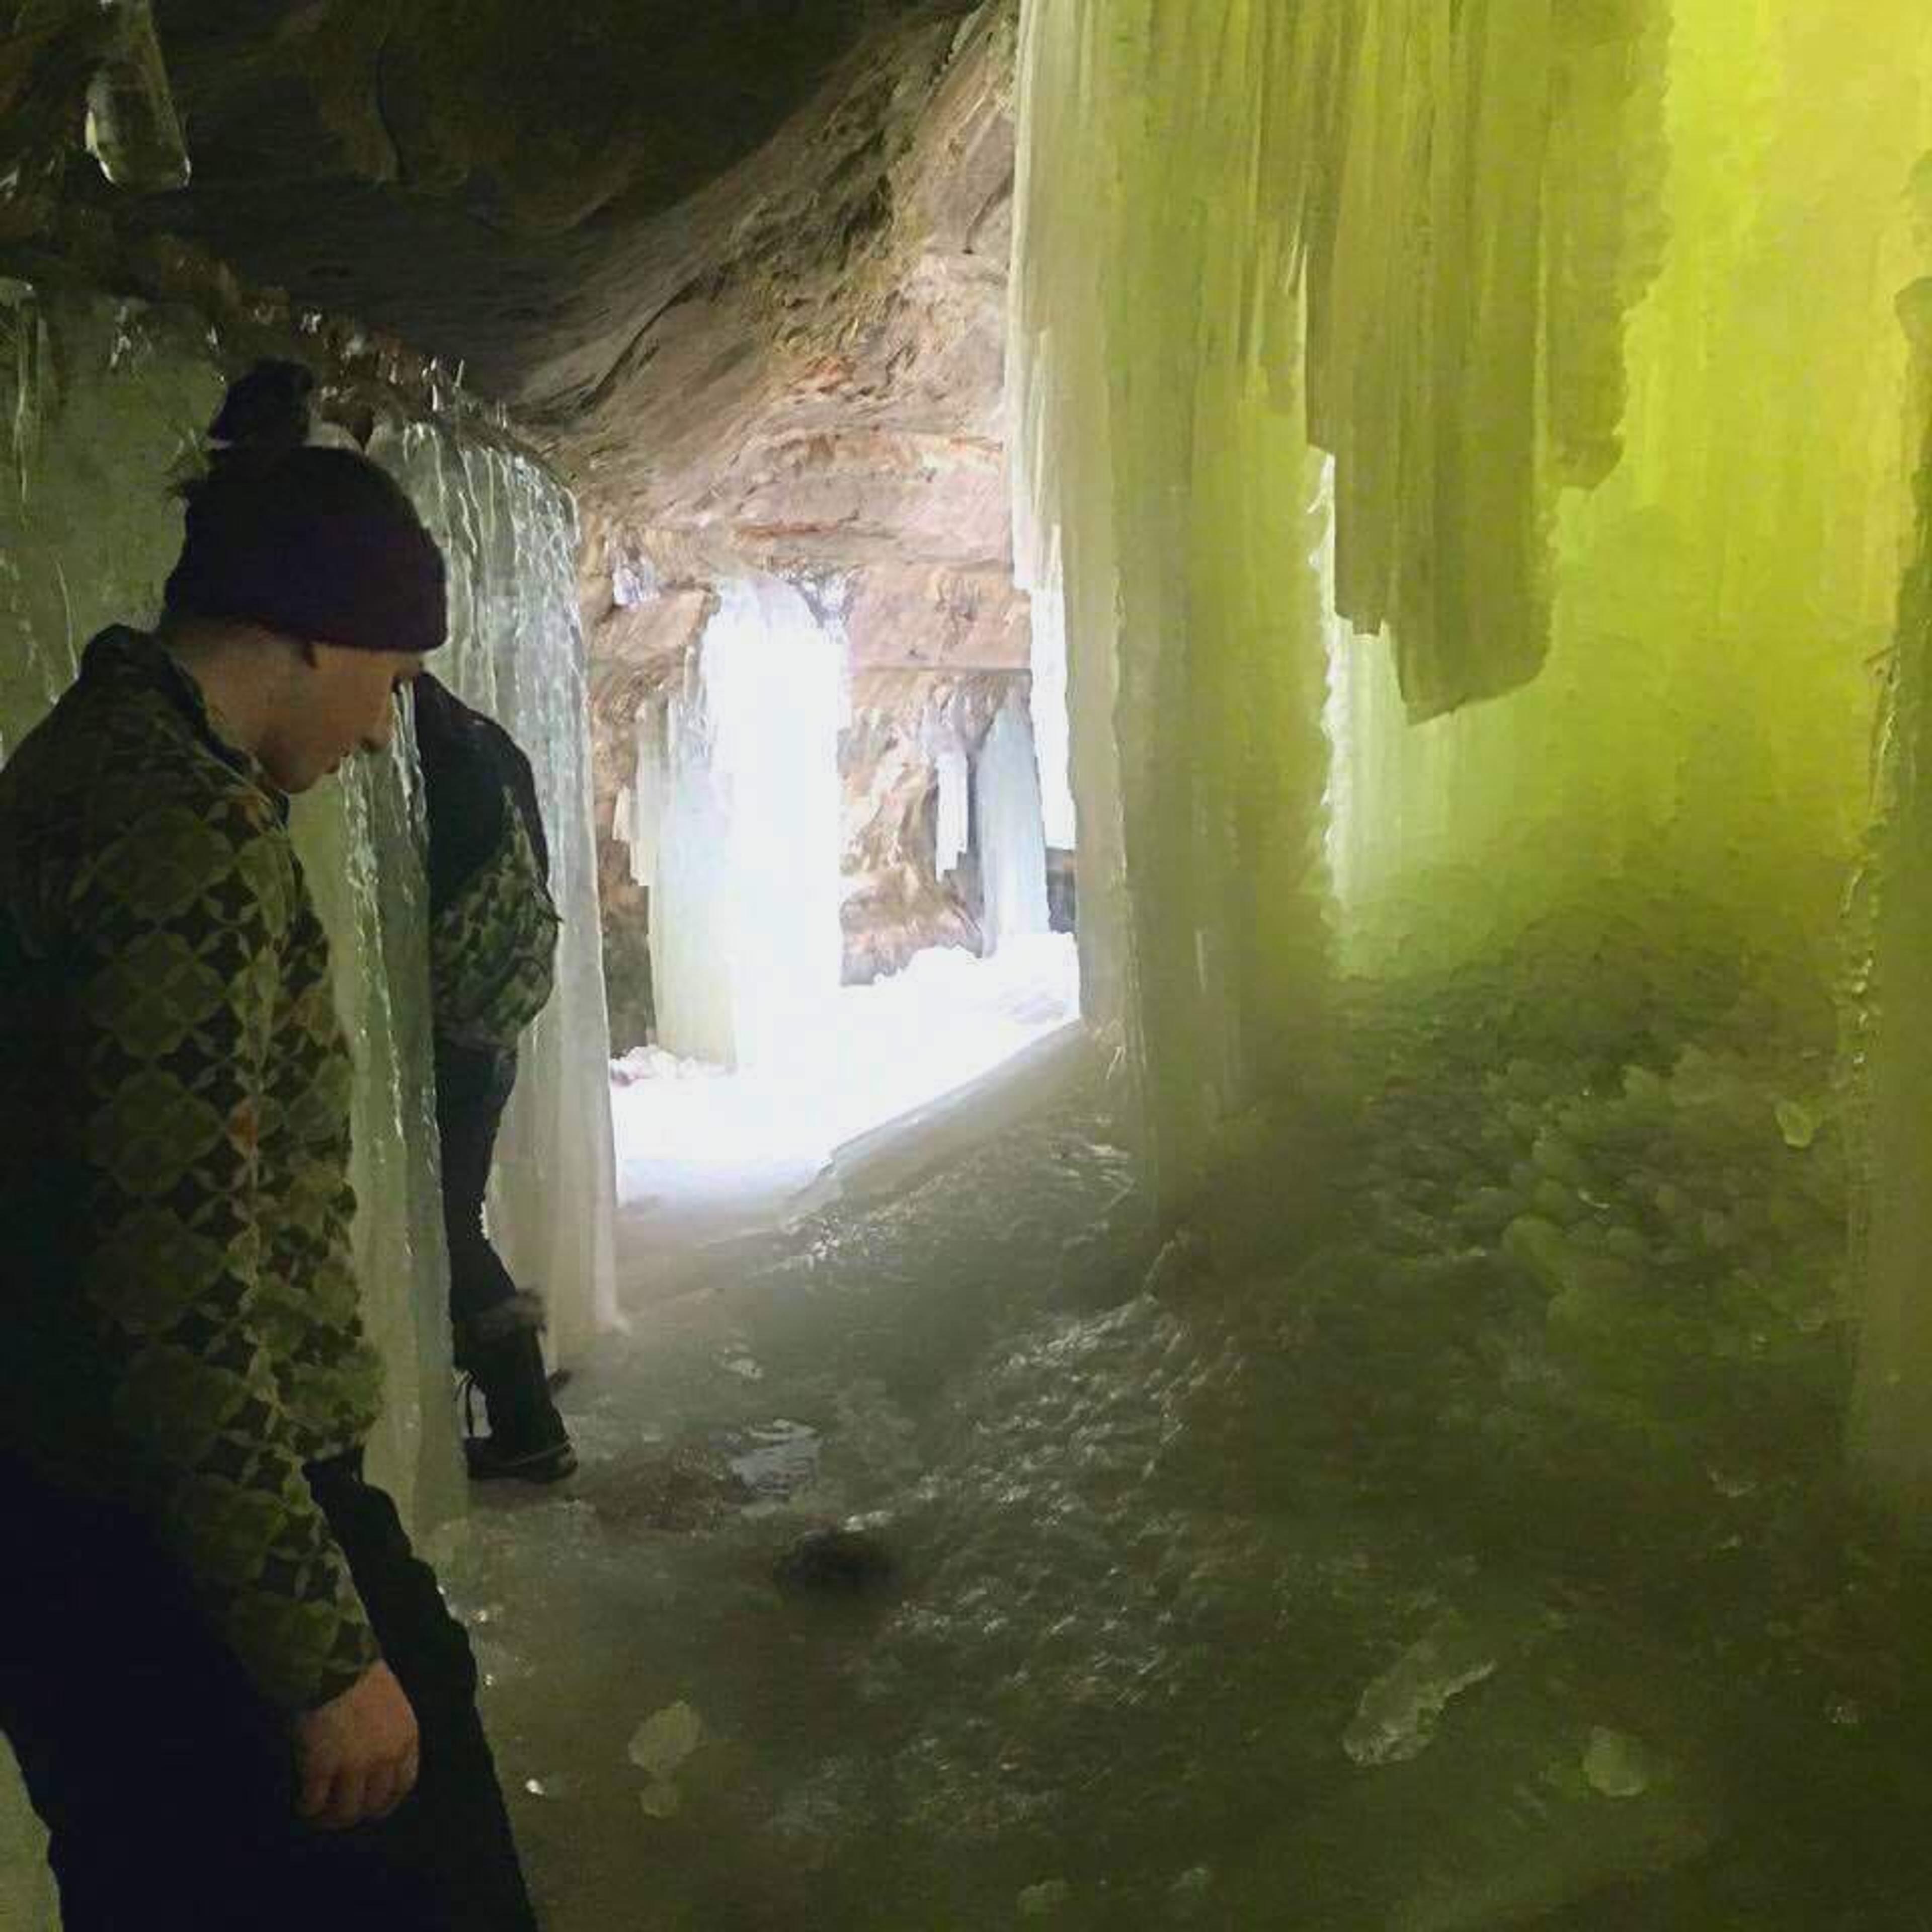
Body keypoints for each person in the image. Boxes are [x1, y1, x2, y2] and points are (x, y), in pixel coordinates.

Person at [0, 360, 540, 1930]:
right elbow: (175, 1293)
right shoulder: (190, 842)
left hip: (65, 1512)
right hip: (193, 1540)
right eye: (383, 679)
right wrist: (323, 1655)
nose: (383, 732)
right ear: (298, 635)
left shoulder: (69, 767)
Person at [412, 670, 575, 1483]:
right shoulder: (491, 745)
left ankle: (526, 1417)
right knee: (457, 1217)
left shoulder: (425, 755)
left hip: (444, 1032)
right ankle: (522, 1401)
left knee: (446, 1226)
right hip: (492, 1023)